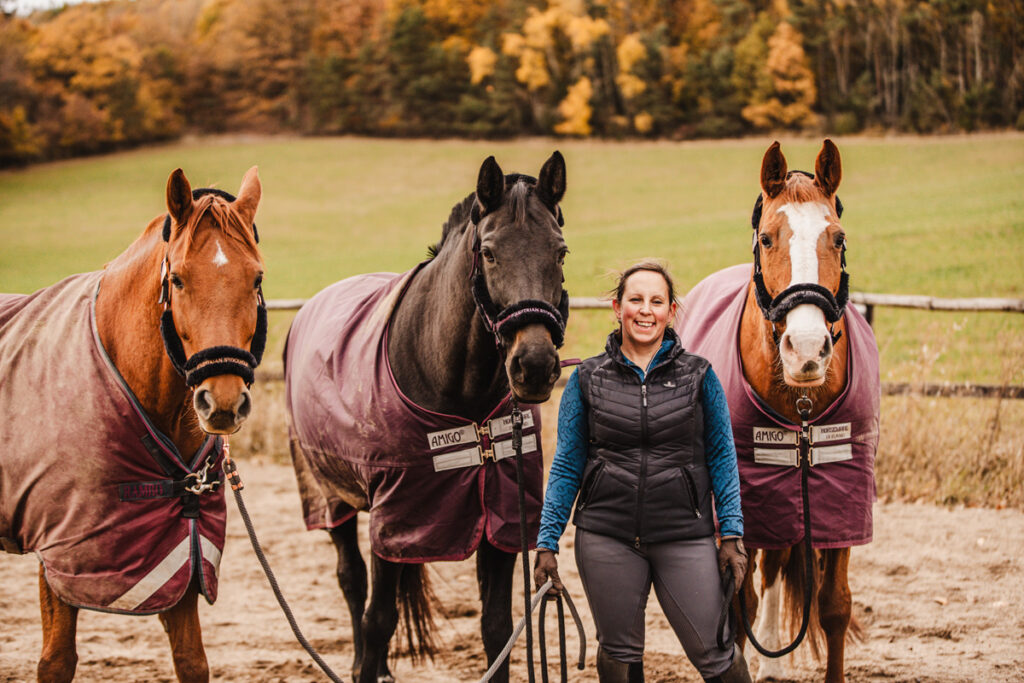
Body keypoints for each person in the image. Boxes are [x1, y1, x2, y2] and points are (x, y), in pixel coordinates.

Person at [534, 261, 751, 683]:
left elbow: (723, 457)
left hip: (684, 535)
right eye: (635, 300)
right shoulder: (587, 378)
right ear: (618, 308)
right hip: (607, 537)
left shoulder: (700, 376)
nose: (645, 310)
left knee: (716, 652)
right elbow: (566, 465)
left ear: (671, 311)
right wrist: (547, 541)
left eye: (657, 301)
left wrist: (733, 534)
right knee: (618, 654)